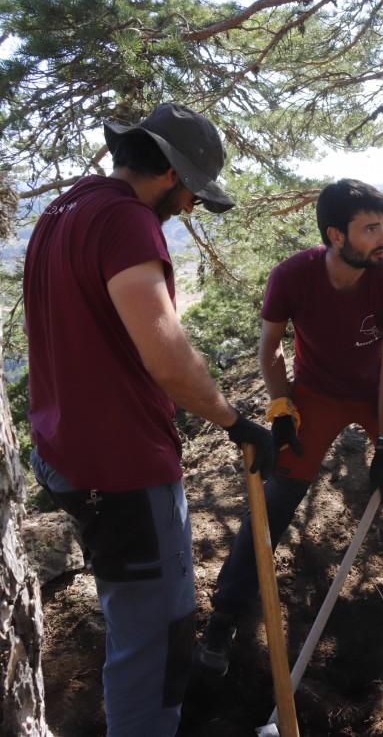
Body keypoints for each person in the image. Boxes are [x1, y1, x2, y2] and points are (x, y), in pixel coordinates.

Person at [22, 103, 274, 737]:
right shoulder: (128, 222)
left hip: (62, 451)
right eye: (190, 191)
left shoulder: (63, 210)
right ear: (168, 170)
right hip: (122, 467)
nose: (189, 207)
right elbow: (167, 356)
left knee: (133, 619)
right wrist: (234, 420)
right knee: (157, 640)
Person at [195, 179, 383, 677]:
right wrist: (281, 409)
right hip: (316, 393)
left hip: (379, 392)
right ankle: (226, 614)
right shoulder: (292, 276)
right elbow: (270, 350)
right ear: (335, 235)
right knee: (277, 498)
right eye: (370, 228)